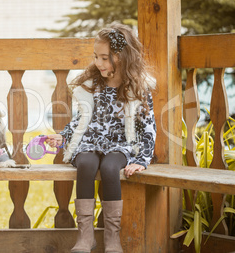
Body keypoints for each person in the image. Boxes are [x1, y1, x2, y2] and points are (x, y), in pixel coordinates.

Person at [46, 22, 157, 253]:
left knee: (109, 169)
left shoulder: (136, 87)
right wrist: (63, 136)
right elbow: (81, 119)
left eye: (105, 58)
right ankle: (85, 236)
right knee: (85, 164)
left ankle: (112, 237)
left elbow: (147, 127)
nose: (99, 63)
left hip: (121, 144)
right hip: (90, 140)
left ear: (122, 57)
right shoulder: (93, 84)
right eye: (97, 57)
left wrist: (141, 160)